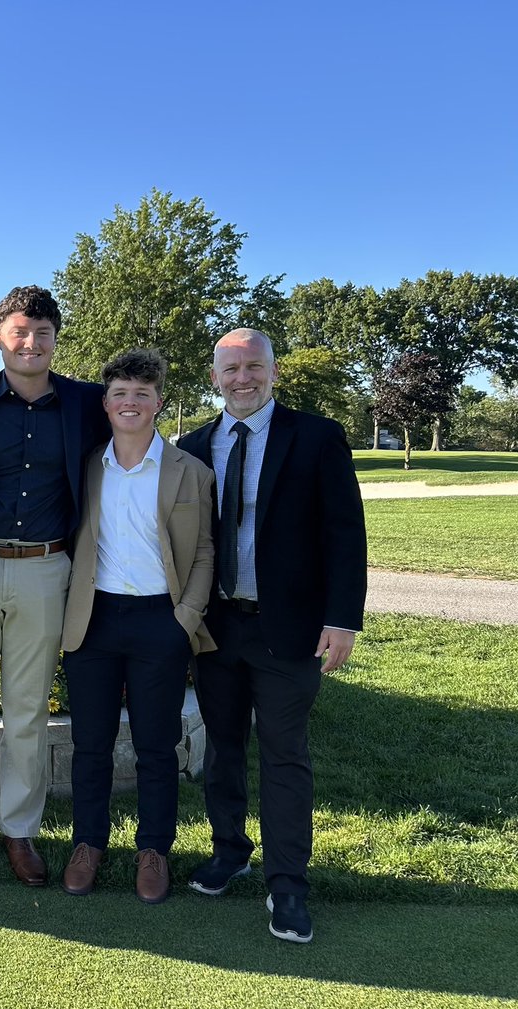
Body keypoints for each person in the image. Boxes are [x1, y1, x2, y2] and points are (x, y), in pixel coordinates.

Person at [178, 328, 366, 943]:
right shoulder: (193, 446)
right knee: (221, 753)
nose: (243, 379)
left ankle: (287, 886)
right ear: (214, 377)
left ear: (274, 372)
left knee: (285, 759)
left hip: (288, 631)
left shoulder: (315, 438)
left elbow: (345, 534)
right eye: (230, 369)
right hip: (217, 628)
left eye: (253, 367)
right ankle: (230, 850)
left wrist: (343, 619)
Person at [0, 285, 109, 885]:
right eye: (19, 331)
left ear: (56, 338)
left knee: (28, 710)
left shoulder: (88, 403)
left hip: (46, 568)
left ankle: (19, 830)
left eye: (42, 333)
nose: (30, 343)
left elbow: (145, 416)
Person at [58, 349, 215, 901]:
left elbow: (203, 552)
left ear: (159, 403)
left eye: (142, 395)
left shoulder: (190, 472)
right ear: (105, 403)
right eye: (121, 394)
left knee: (156, 744)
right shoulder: (84, 466)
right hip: (93, 621)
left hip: (161, 623)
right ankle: (89, 844)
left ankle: (153, 849)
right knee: (91, 743)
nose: (131, 403)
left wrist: (184, 620)